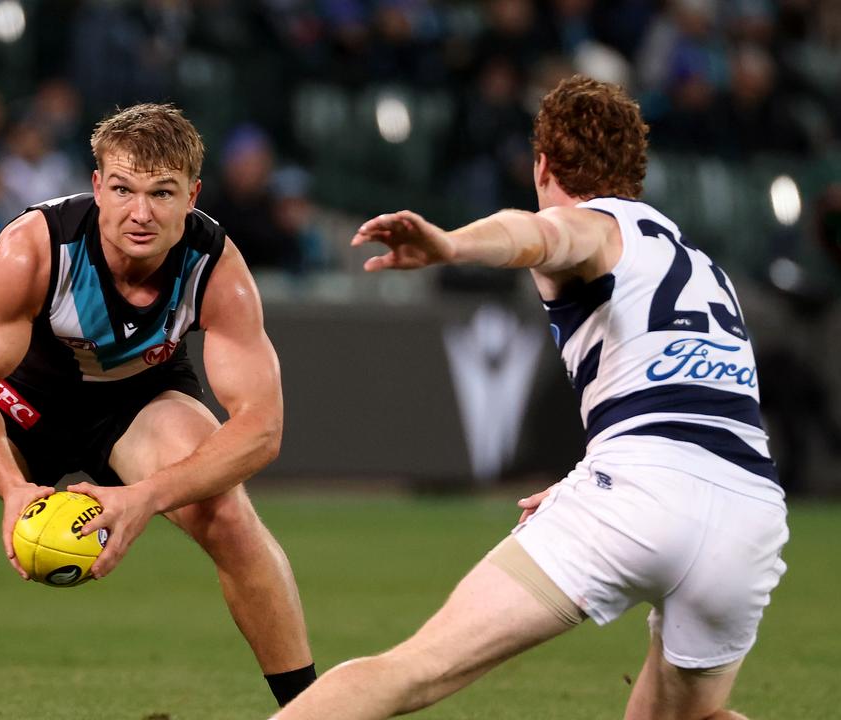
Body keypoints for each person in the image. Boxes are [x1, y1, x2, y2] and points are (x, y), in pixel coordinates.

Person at [274, 75, 788, 720]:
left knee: (416, 670)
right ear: (635, 170)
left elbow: (540, 235)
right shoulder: (705, 269)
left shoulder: (592, 228)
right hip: (750, 514)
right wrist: (593, 472)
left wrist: (451, 244)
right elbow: (685, 397)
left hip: (640, 494)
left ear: (542, 165)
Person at [0, 104, 316, 719]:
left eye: (162, 192)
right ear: (97, 184)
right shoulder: (34, 246)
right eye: (124, 189)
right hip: (21, 406)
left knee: (229, 518)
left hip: (139, 408)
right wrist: (11, 488)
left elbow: (262, 430)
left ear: (193, 195)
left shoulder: (216, 268)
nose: (141, 212)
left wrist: (146, 497)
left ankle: (311, 712)